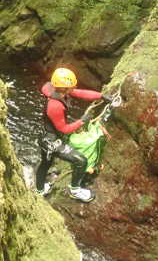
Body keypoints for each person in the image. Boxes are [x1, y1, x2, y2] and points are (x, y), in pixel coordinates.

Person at [36, 67, 112, 202]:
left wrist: (101, 96)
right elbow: (64, 128)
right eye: (71, 86)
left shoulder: (59, 90)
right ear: (64, 88)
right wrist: (82, 121)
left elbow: (81, 93)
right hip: (51, 142)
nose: (74, 88)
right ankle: (74, 190)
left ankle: (40, 190)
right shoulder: (55, 105)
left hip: (49, 135)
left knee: (45, 164)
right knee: (81, 161)